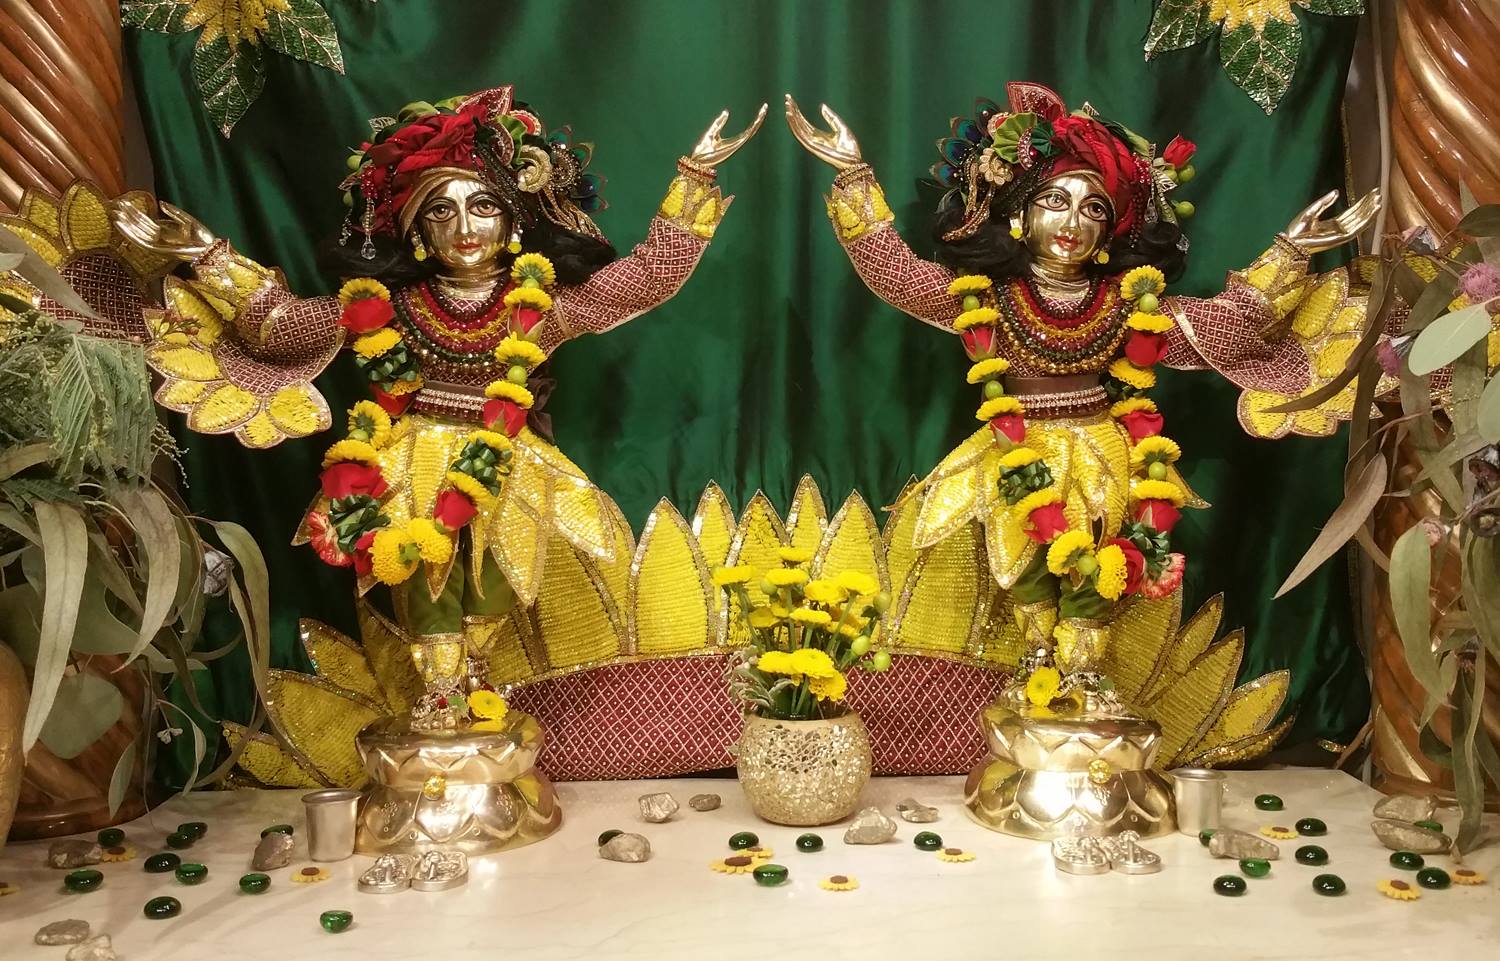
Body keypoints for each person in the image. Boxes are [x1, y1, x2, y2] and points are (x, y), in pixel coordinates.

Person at [114, 86, 765, 727]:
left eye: (482, 206)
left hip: (506, 467)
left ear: (514, 221)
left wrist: (695, 176)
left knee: (492, 589)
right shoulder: (389, 306)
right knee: (427, 585)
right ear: (417, 232)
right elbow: (281, 328)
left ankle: (472, 699)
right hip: (411, 465)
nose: (465, 228)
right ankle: (441, 702)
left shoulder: (538, 308)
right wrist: (208, 255)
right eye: (441, 212)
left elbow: (645, 279)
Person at [786, 82, 1378, 691]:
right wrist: (852, 174)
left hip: (1103, 455)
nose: (1073, 222)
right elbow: (896, 276)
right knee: (1025, 575)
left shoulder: (1127, 307)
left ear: (1111, 233)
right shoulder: (986, 301)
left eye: (1094, 209)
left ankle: (1086, 685)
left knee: (1098, 576)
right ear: (1019, 216)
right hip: (1015, 454)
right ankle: (1040, 681)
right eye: (1055, 201)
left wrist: (1290, 251)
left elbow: (1230, 324)